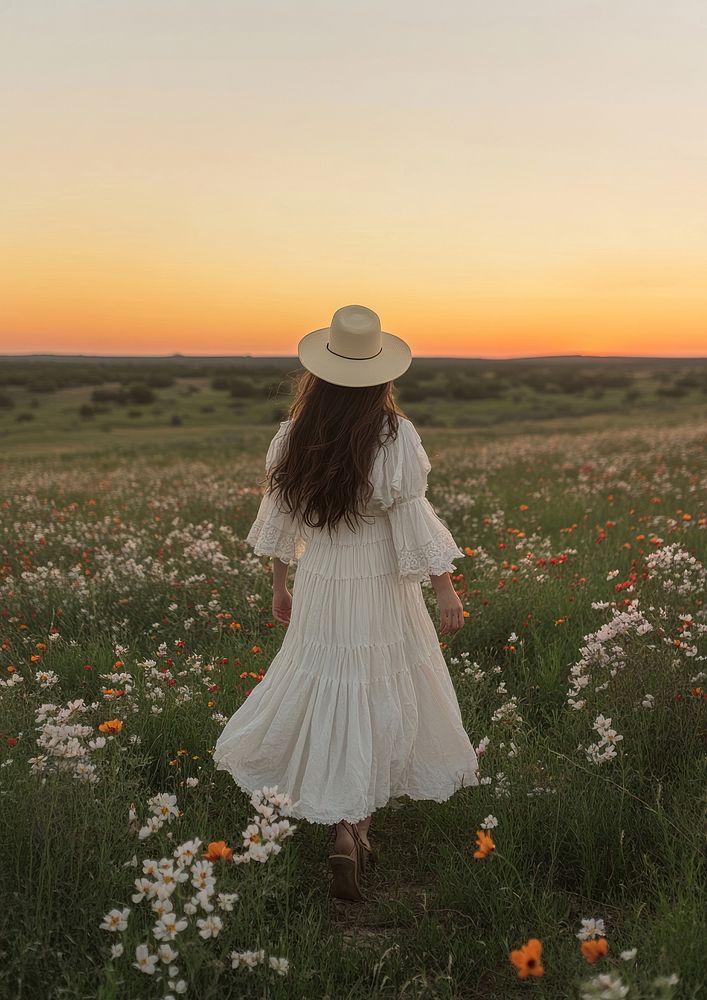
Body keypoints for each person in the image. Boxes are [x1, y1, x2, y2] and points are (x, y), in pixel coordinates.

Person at [213, 304, 479, 901]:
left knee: (329, 682)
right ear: (381, 374)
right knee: (377, 687)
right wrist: (445, 588)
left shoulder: (293, 434)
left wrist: (280, 585)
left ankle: (344, 821)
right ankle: (353, 827)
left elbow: (280, 520)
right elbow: (411, 521)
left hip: (323, 581)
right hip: (381, 582)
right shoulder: (394, 434)